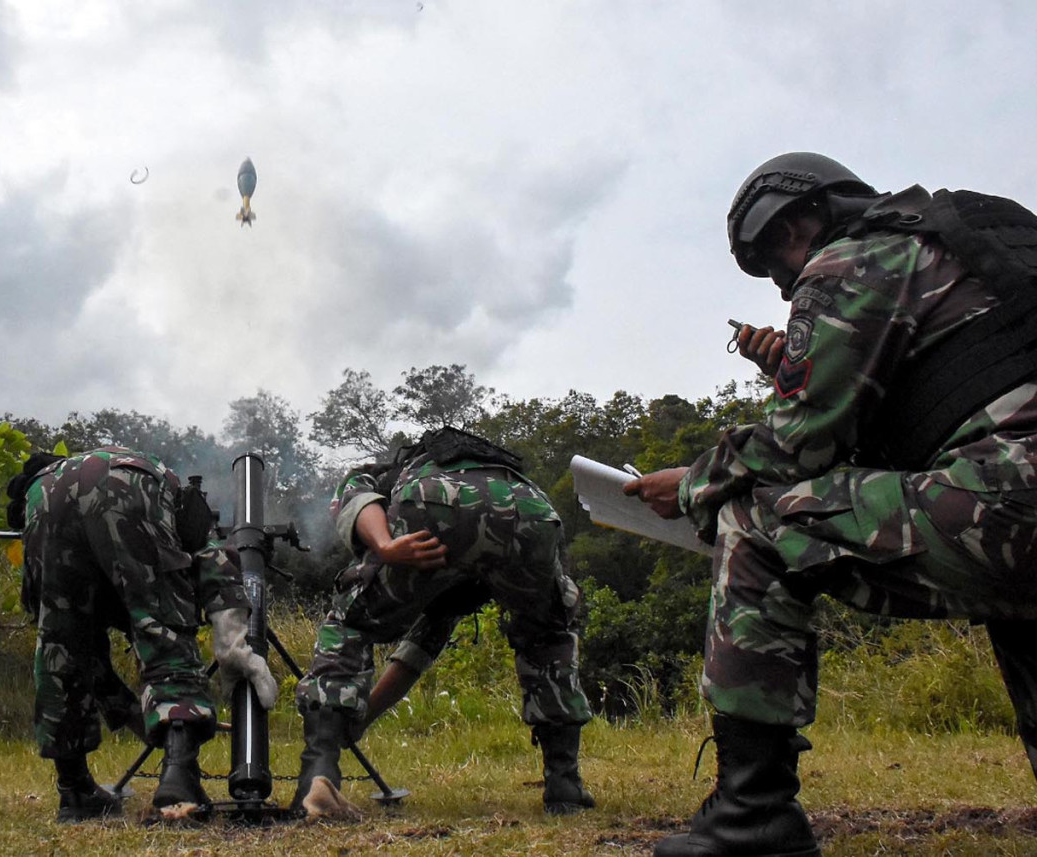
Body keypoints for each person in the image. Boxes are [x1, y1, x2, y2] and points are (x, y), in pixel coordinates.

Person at [625, 152, 1037, 857]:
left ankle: (752, 816)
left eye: (776, 260)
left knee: (757, 515)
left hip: (1012, 500)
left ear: (802, 217)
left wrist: (691, 481)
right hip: (1010, 494)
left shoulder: (856, 256)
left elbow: (795, 448)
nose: (785, 285)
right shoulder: (979, 240)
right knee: (1019, 600)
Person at [291, 427, 595, 818]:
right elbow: (416, 654)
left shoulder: (388, 472)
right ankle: (565, 787)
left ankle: (318, 777)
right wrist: (362, 720)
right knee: (548, 638)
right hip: (531, 510)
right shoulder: (490, 481)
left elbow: (356, 494)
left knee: (351, 625)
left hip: (433, 505)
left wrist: (384, 546)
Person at [5, 447, 278, 823]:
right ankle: (178, 785)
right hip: (130, 481)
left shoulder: (45, 490)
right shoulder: (174, 504)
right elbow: (211, 557)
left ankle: (75, 793)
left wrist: (140, 716)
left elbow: (76, 653)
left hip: (45, 494)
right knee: (164, 629)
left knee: (59, 646)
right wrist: (233, 645)